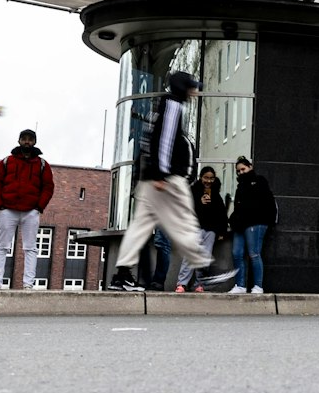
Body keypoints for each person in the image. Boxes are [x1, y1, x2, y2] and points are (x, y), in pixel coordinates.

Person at [109, 71, 229, 291]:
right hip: (165, 179)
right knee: (184, 222)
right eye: (192, 87)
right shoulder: (173, 105)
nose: (195, 91)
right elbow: (164, 141)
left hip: (151, 178)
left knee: (140, 227)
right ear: (183, 88)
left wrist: (152, 174)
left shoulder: (161, 105)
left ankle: (122, 275)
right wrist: (161, 175)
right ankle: (204, 271)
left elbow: (150, 139)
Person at [0, 128, 55, 289]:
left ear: (34, 142)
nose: (26, 142)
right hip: (7, 209)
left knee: (30, 247)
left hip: (31, 210)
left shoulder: (42, 164)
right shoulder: (6, 162)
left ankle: (28, 285)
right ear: (18, 140)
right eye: (24, 138)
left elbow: (48, 187)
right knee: (1, 246)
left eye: (30, 139)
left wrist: (39, 206)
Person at [226, 155, 276, 295]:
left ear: (250, 167)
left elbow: (265, 202)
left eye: (243, 169)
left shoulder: (259, 181)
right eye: (238, 171)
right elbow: (238, 207)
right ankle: (240, 285)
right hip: (241, 224)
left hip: (256, 221)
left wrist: (266, 221)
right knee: (237, 253)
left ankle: (258, 286)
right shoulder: (239, 187)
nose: (241, 172)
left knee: (254, 253)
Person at [176, 165, 228, 292]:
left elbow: (221, 214)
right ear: (200, 177)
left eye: (211, 178)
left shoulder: (216, 194)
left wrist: (221, 231)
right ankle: (182, 283)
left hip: (210, 230)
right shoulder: (193, 191)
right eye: (206, 178)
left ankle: (200, 284)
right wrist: (200, 203)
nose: (209, 181)